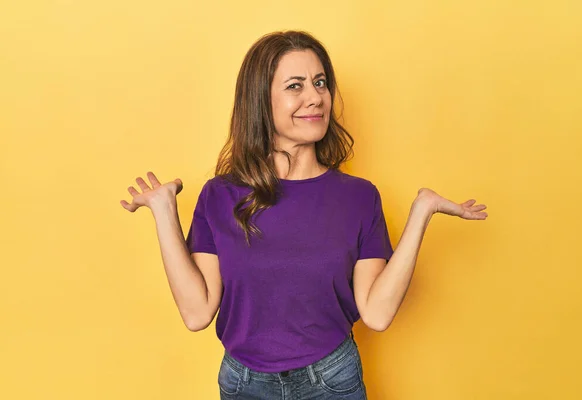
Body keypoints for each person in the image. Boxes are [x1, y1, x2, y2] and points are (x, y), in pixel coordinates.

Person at [120, 30, 488, 400]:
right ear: (261, 102)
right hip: (244, 385)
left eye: (320, 83)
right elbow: (197, 313)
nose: (315, 98)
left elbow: (377, 314)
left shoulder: (358, 197)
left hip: (332, 381)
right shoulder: (220, 195)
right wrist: (164, 212)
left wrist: (422, 212)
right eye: (295, 86)